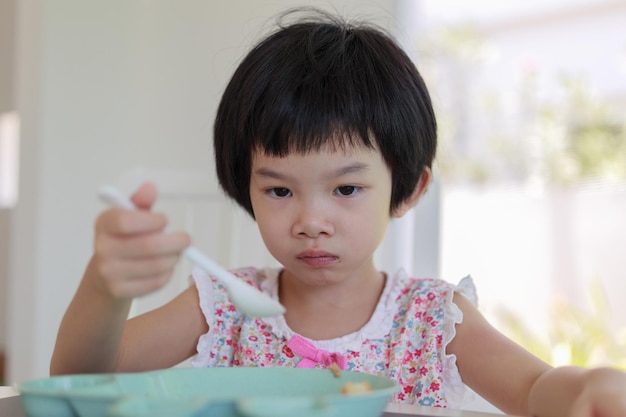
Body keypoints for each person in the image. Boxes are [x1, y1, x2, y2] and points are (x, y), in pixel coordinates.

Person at [50, 8, 626, 417]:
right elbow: (78, 379)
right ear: (242, 186)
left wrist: (585, 388)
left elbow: (534, 391)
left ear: (409, 188)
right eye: (279, 191)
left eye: (346, 190)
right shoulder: (223, 306)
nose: (311, 220)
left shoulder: (429, 319)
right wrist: (106, 285)